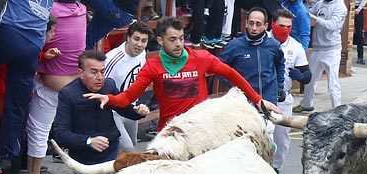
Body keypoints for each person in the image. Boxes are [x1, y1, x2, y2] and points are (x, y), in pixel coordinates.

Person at [84, 17, 280, 132]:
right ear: (160, 41)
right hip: (170, 134)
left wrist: (258, 100)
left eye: (181, 38)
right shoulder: (152, 66)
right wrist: (108, 98)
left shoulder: (202, 58)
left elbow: (233, 75)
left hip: (200, 130)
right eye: (172, 39)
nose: (178, 44)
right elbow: (127, 97)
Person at [51, 51, 149, 174]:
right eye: (94, 72)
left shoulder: (109, 85)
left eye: (102, 71)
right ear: (81, 72)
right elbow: (59, 133)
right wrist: (88, 141)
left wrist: (138, 112)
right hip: (84, 163)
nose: (100, 77)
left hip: (111, 157)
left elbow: (125, 110)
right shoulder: (68, 94)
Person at [21, 1, 87, 174]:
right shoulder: (82, 9)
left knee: (38, 130)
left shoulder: (49, 9)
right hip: (73, 80)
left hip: (51, 81)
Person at [0, 0, 54, 174]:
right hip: (3, 89)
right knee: (6, 134)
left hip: (17, 84)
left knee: (16, 134)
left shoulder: (29, 30)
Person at [270, 9, 312, 173]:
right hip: (261, 96)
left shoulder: (296, 47)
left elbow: (307, 75)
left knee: (281, 139)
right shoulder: (263, 40)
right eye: (281, 26)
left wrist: (300, 75)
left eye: (289, 26)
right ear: (273, 24)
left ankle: (276, 168)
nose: (285, 29)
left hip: (283, 99)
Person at [104, 22, 153, 152]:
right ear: (128, 38)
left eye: (144, 41)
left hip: (131, 107)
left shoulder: (142, 53)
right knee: (128, 150)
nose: (139, 44)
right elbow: (101, 86)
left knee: (132, 143)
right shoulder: (112, 59)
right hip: (112, 111)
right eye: (136, 39)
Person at [221, 7, 285, 107]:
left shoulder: (274, 45)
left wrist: (280, 87)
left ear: (266, 26)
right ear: (246, 23)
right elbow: (220, 69)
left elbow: (280, 64)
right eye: (251, 23)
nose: (254, 28)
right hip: (243, 102)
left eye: (258, 24)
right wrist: (233, 86)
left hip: (268, 101)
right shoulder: (234, 45)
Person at [293, 0, 347, 113]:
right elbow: (307, 13)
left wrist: (315, 18)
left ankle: (337, 110)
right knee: (310, 79)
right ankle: (307, 105)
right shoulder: (320, 3)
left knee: (332, 83)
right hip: (318, 48)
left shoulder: (340, 7)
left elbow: (332, 25)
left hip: (332, 49)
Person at [354, 0, 367, 64]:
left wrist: (359, 9)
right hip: (347, 6)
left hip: (357, 7)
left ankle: (360, 57)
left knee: (359, 33)